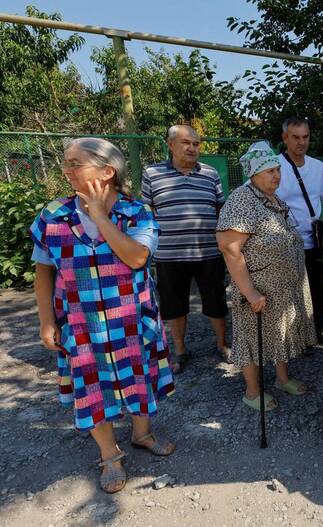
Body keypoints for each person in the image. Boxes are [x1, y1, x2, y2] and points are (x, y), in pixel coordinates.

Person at [30, 138, 175, 494]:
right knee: (91, 388)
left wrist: (98, 215)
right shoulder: (53, 216)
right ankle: (109, 455)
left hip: (131, 321)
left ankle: (142, 434)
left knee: (138, 377)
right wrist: (47, 321)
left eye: (75, 163)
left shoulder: (136, 213)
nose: (67, 171)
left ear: (107, 171)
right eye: (66, 163)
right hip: (80, 325)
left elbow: (137, 257)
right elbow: (43, 271)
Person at [216, 142, 316, 411]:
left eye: (278, 170)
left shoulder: (273, 199)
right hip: (258, 288)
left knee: (279, 334)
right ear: (254, 173)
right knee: (253, 339)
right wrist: (249, 292)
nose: (277, 176)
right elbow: (229, 247)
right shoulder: (242, 199)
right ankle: (252, 391)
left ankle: (282, 379)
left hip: (282, 287)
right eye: (270, 171)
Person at [141, 125, 230, 372]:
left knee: (216, 299)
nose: (192, 148)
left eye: (196, 143)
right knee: (173, 304)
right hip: (169, 254)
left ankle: (222, 344)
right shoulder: (152, 173)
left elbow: (220, 209)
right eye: (186, 143)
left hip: (208, 252)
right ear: (171, 144)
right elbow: (147, 211)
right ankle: (179, 350)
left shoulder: (210, 174)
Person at [276, 117, 323, 340]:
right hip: (284, 242)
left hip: (313, 242)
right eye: (296, 137)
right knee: (290, 292)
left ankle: (315, 331)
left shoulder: (318, 168)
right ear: (285, 138)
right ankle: (293, 335)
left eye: (305, 137)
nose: (301, 142)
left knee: (318, 291)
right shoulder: (274, 166)